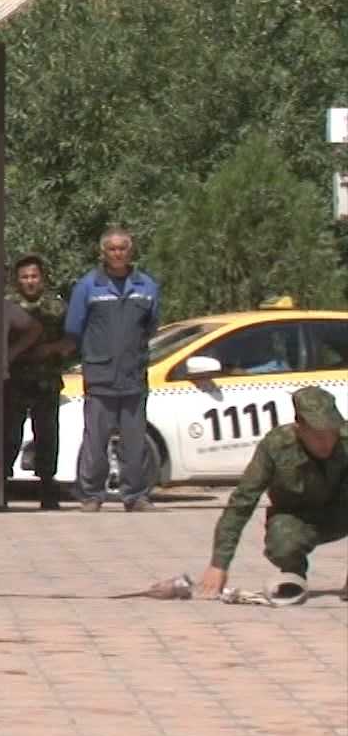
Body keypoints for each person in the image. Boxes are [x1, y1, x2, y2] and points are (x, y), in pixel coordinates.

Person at [196, 387, 347, 607]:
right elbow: (242, 502)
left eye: (331, 433)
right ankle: (294, 577)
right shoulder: (276, 446)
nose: (326, 442)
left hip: (342, 512)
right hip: (298, 517)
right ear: (299, 428)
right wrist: (219, 565)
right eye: (317, 436)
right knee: (282, 543)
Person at [64, 227, 161, 512]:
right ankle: (91, 495)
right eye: (112, 249)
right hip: (100, 375)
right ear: (103, 253)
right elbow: (74, 327)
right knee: (96, 441)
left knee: (135, 441)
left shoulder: (146, 286)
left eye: (123, 248)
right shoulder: (88, 286)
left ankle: (136, 496)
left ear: (131, 252)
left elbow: (151, 325)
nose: (118, 253)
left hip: (133, 375)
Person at [5, 255, 71, 510]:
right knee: (10, 435)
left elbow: (71, 341)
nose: (30, 281)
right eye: (24, 277)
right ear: (17, 280)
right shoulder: (7, 305)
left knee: (46, 435)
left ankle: (47, 487)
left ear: (42, 278)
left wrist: (51, 349)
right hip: (15, 380)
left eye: (34, 276)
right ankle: (2, 484)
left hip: (46, 380)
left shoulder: (56, 307)